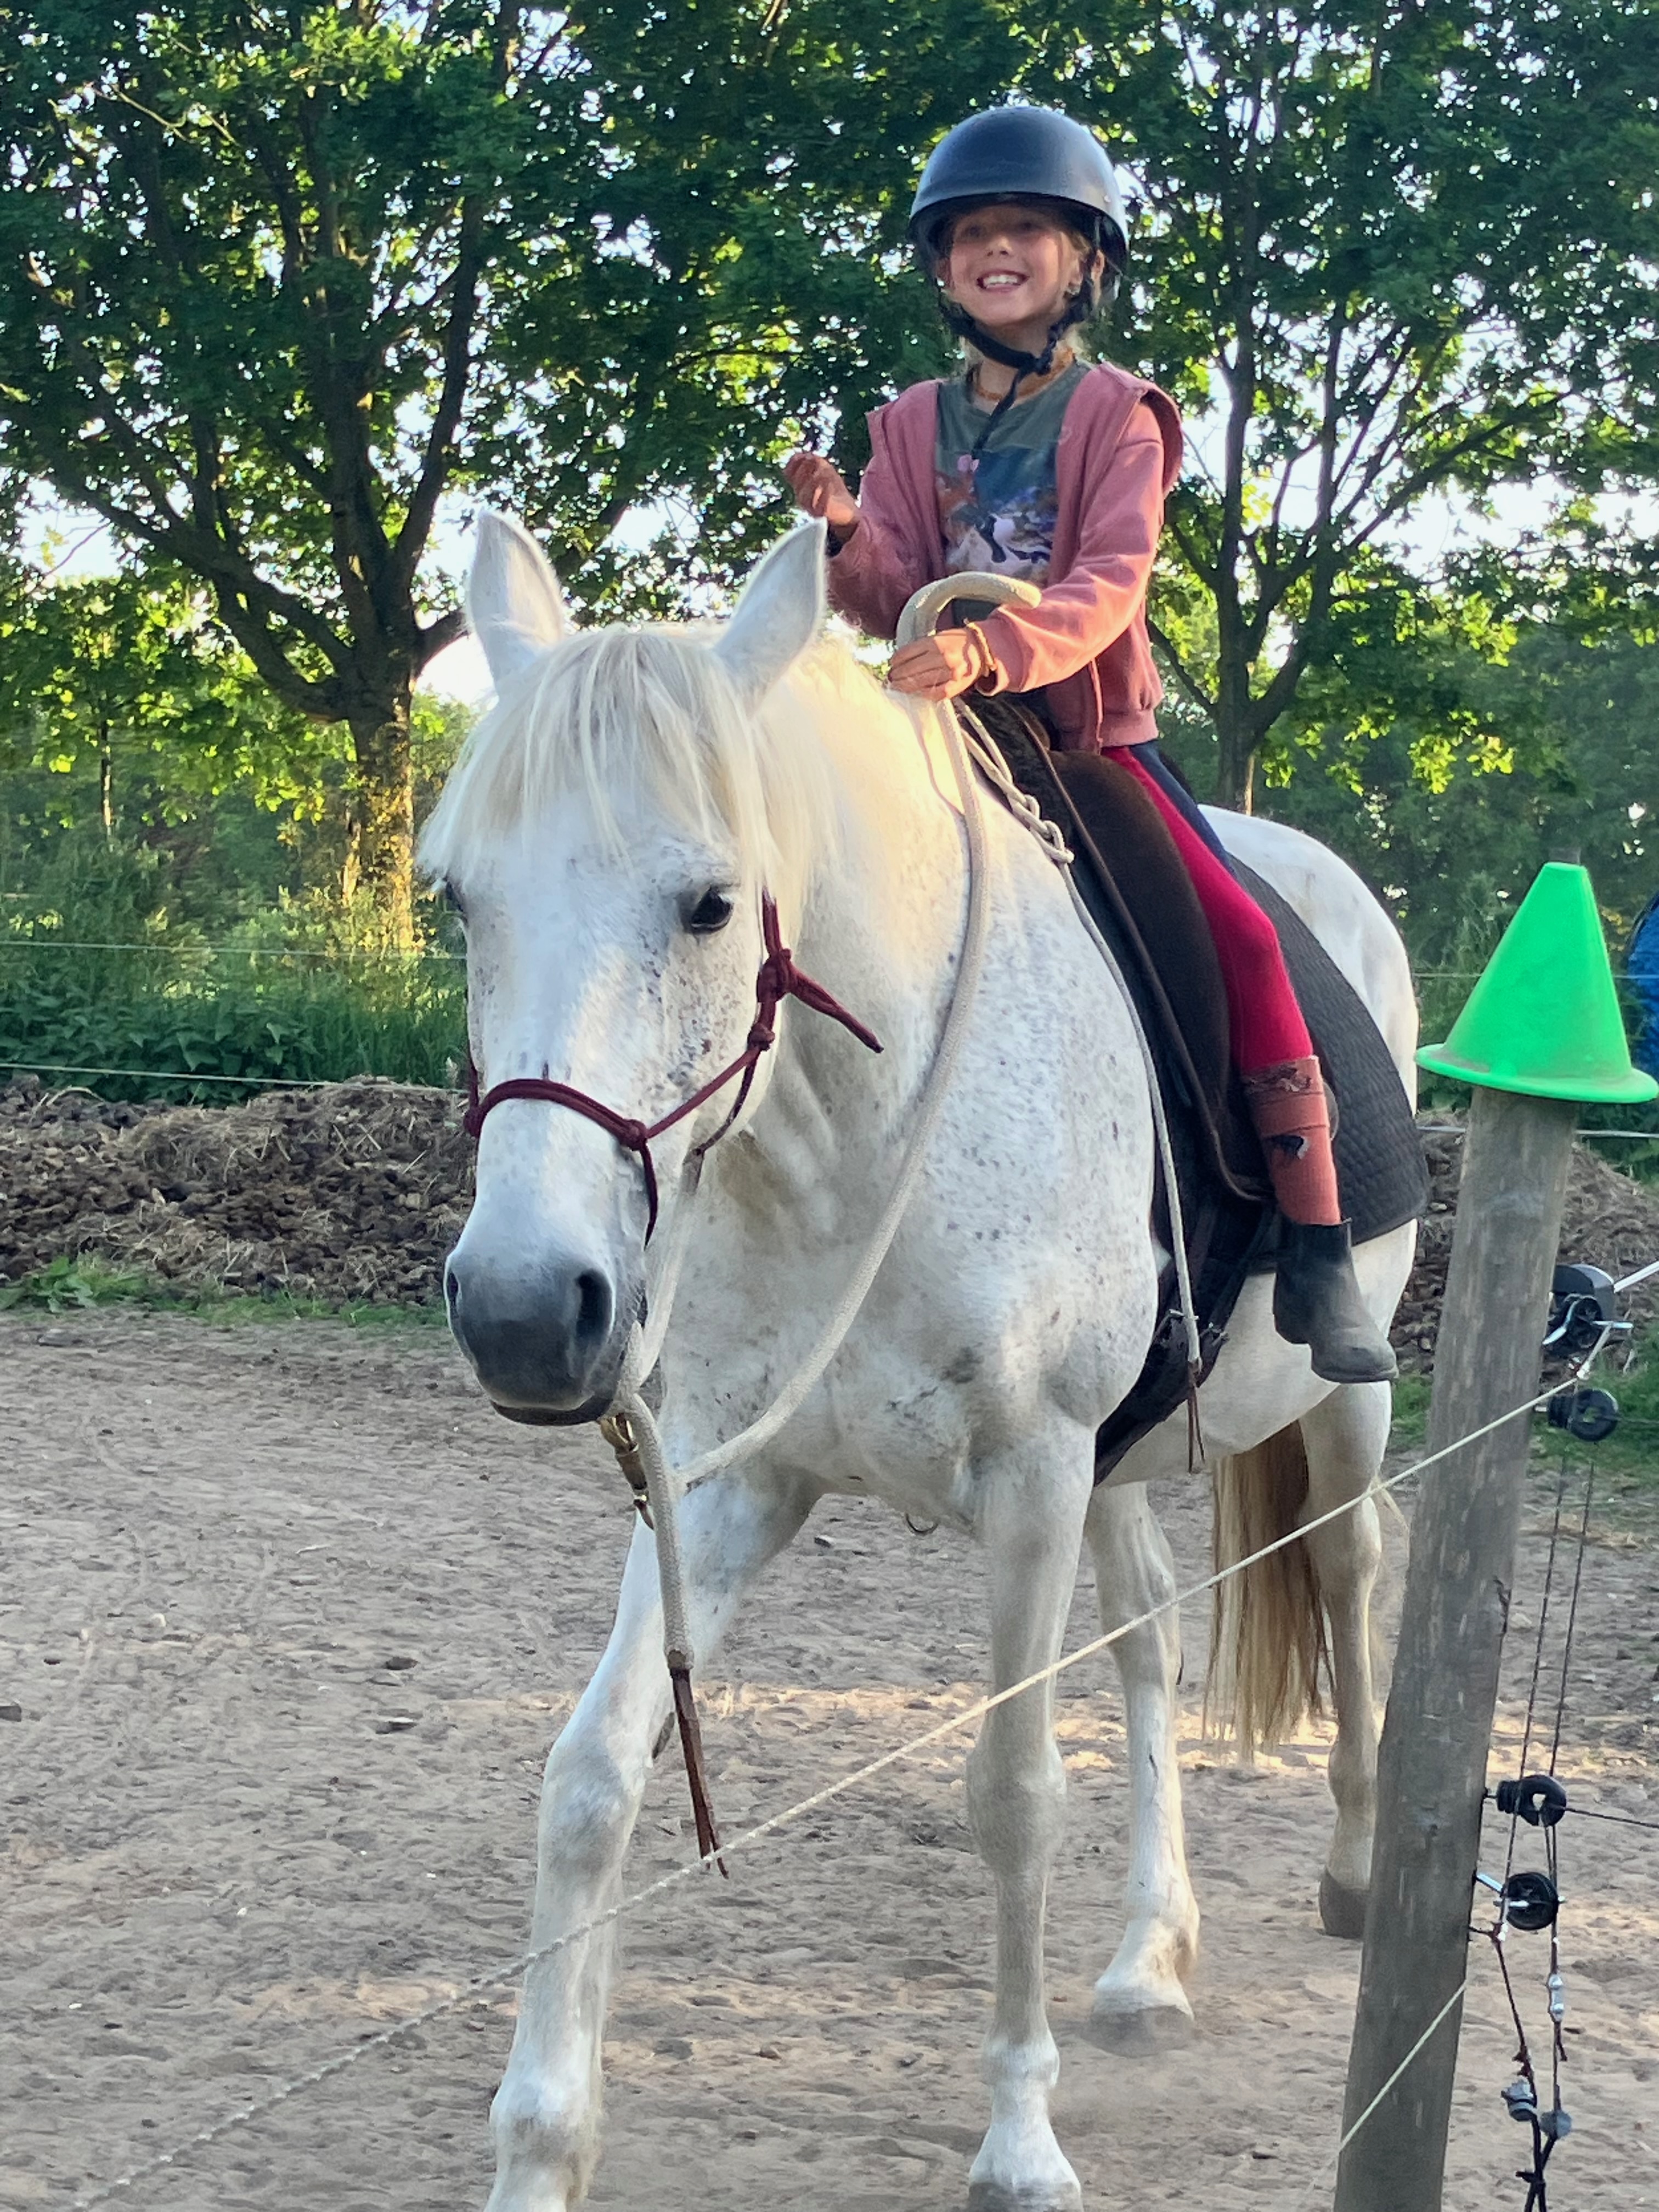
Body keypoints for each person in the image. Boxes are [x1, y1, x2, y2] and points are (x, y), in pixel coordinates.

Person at [783, 105, 1396, 1385]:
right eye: (970, 236)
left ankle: (1321, 1237)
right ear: (940, 267)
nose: (996, 251)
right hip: (938, 738)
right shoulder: (907, 423)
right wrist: (845, 533)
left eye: (1026, 230)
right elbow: (893, 584)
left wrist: (992, 651)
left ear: (1085, 263)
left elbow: (1111, 580)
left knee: (1235, 926)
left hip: (1082, 737)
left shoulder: (1122, 414)